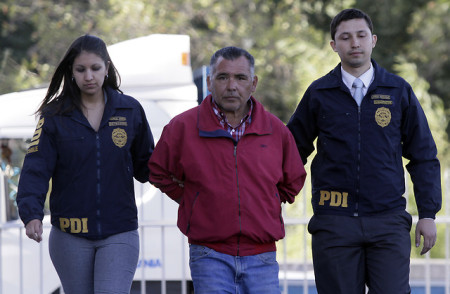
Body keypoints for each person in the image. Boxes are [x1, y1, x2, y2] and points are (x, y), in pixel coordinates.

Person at [287, 8, 442, 294]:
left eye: (360, 36)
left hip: (388, 221)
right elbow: (292, 151)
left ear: (373, 40)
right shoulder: (319, 93)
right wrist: (275, 197)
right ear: (334, 46)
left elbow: (423, 156)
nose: (354, 43)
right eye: (345, 38)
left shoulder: (398, 91)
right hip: (334, 222)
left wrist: (428, 214)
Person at [148, 46, 306, 293]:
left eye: (240, 78)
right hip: (209, 254)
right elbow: (158, 171)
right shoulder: (182, 127)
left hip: (262, 255)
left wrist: (267, 200)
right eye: (223, 77)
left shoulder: (276, 130)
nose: (231, 85)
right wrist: (192, 199)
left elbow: (293, 180)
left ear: (253, 83)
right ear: (210, 82)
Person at [16, 34, 154, 294]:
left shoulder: (130, 110)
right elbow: (36, 166)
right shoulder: (54, 115)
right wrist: (31, 213)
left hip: (119, 231)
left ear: (107, 68)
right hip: (70, 235)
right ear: (72, 72)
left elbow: (147, 165)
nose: (88, 76)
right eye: (81, 69)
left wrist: (180, 174)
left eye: (95, 68)